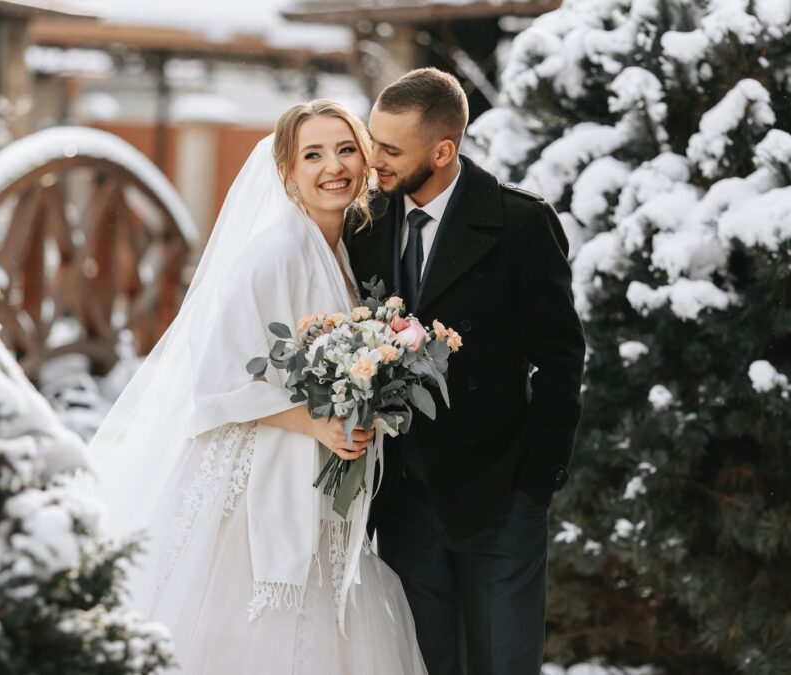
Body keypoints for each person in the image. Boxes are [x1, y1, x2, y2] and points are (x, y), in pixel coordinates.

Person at [87, 100, 428, 674]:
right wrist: (316, 421)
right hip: (257, 482)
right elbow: (215, 383)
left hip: (319, 477)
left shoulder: (342, 251)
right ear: (287, 171)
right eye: (312, 155)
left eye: (346, 149)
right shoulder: (275, 253)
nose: (333, 166)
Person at [347, 68, 586, 675]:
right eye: (373, 141)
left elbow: (560, 358)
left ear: (443, 151)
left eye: (390, 149)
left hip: (498, 497)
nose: (373, 159)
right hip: (404, 501)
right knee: (422, 664)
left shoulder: (519, 222)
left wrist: (536, 484)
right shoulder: (366, 223)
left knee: (502, 663)